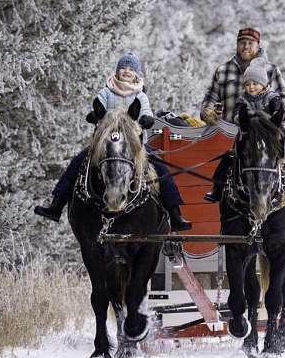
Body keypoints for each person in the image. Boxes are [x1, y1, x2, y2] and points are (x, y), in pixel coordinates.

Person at [34, 52, 192, 231]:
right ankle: (56, 206)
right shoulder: (107, 91)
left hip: (134, 145)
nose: (126, 71)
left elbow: (145, 111)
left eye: (131, 69)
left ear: (136, 74)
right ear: (117, 71)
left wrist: (146, 119)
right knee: (77, 162)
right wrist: (95, 115)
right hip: (106, 144)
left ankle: (175, 214)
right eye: (123, 67)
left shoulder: (140, 96)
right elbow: (98, 105)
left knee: (161, 170)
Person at [200, 28, 285, 203]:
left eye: (250, 43)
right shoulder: (223, 71)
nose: (246, 46)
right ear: (237, 45)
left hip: (271, 131)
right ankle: (217, 189)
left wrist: (272, 116)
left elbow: (284, 100)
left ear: (258, 45)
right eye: (242, 42)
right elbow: (211, 99)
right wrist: (208, 111)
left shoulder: (271, 70)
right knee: (230, 158)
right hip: (237, 132)